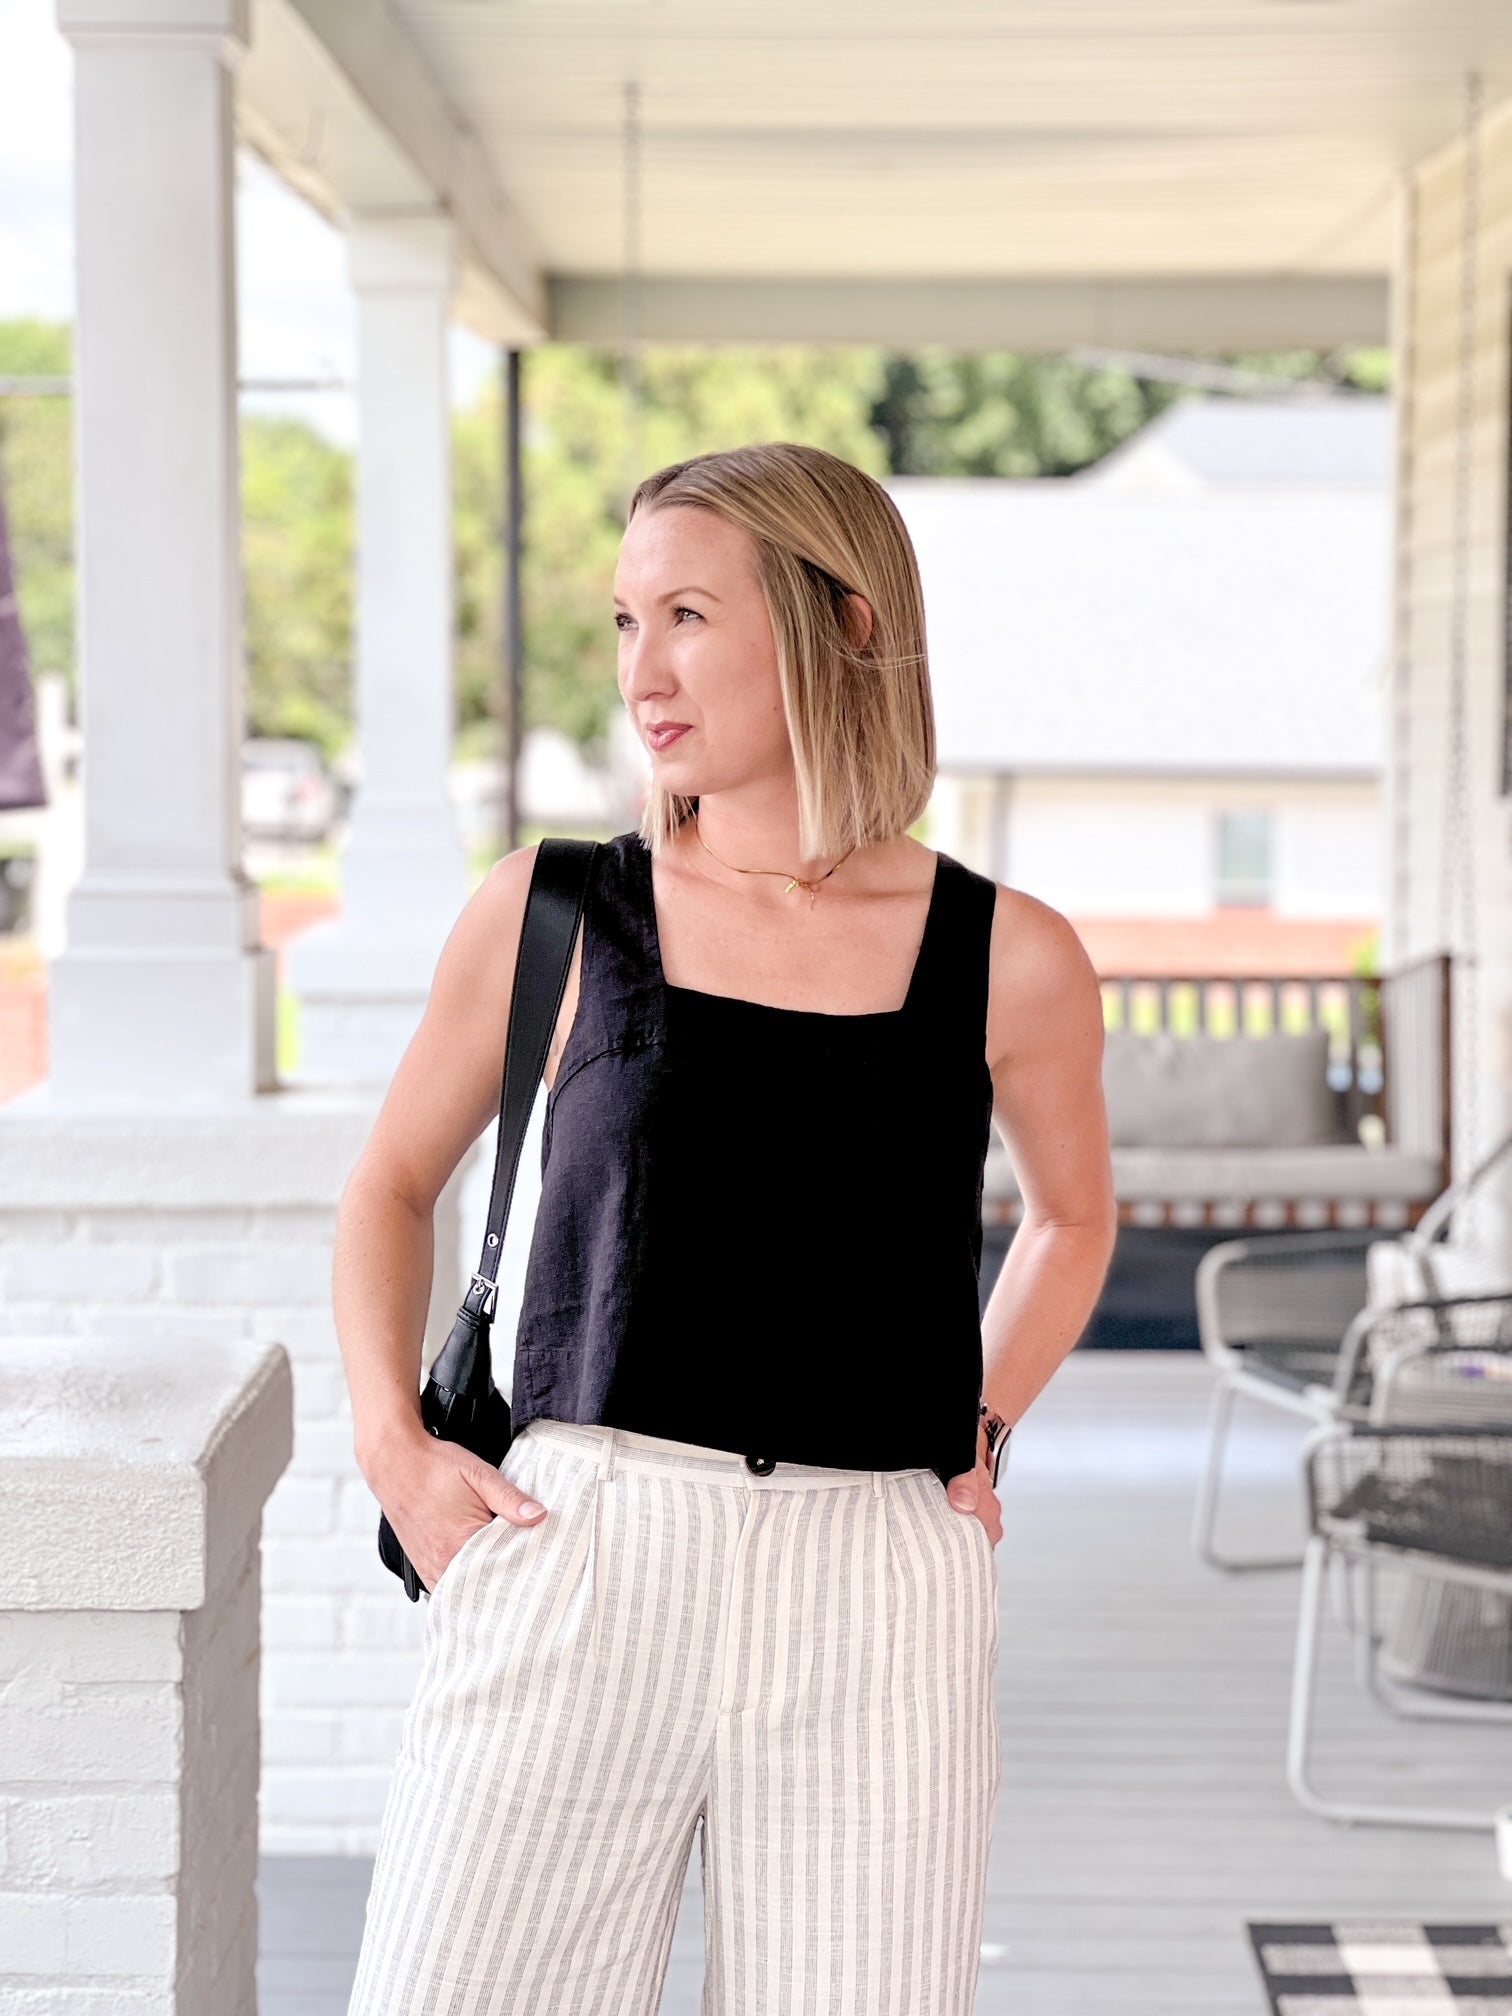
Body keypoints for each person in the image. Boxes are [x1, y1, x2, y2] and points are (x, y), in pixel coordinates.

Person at [337, 442, 1116, 2016]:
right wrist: (394, 1453)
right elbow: (389, 1187)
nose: (645, 671)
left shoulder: (1008, 954)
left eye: (686, 613)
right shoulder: (553, 911)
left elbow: (1075, 1217)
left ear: (843, 624)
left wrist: (977, 1429)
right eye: (626, 622)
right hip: (577, 1553)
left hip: (876, 1592)